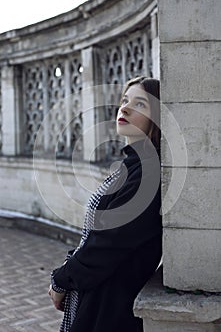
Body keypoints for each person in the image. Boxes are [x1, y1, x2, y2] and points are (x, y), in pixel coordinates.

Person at [48, 76, 162, 332]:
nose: (125, 108)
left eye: (140, 104)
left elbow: (108, 245)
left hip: (112, 304)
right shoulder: (132, 165)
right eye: (125, 100)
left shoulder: (147, 173)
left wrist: (62, 280)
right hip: (102, 292)